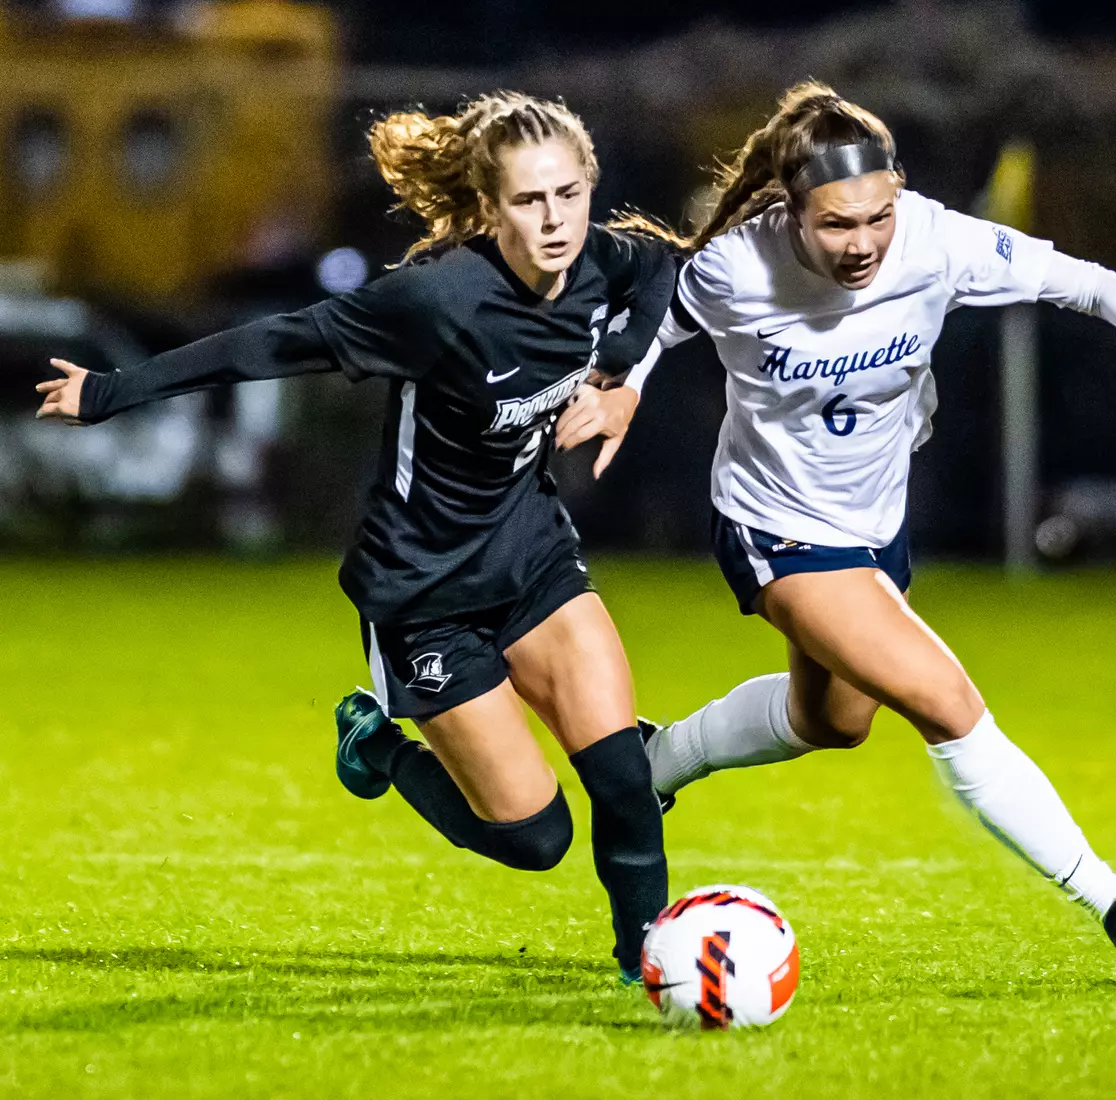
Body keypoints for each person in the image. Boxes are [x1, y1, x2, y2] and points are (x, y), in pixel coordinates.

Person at [576, 82, 1116, 985]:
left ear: (900, 192)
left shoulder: (934, 241)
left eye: (877, 216)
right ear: (790, 211)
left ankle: (651, 763)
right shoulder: (738, 266)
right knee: (946, 703)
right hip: (774, 528)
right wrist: (623, 388)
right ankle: (1114, 903)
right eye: (836, 224)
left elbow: (1088, 284)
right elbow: (651, 324)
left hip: (877, 526)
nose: (863, 243)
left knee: (830, 722)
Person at [35, 92, 677, 982]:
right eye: (529, 201)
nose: (554, 219)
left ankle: (655, 966)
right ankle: (376, 743)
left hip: (532, 555)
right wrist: (109, 393)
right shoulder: (437, 301)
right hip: (422, 593)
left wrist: (616, 376)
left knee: (620, 781)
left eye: (569, 193)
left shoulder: (600, 259)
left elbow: (659, 273)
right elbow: (273, 342)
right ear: (489, 209)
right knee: (533, 839)